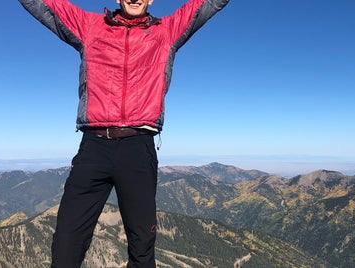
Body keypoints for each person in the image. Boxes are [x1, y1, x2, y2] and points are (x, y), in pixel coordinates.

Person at [17, 0, 229, 266]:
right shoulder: (89, 27)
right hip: (93, 147)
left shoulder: (166, 31)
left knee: (142, 246)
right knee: (66, 242)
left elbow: (208, 4)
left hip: (138, 148)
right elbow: (43, 4)